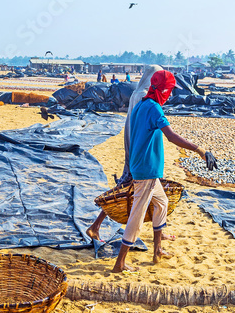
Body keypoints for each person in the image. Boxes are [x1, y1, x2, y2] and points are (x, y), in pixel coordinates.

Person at [111, 70, 217, 273]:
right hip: (146, 170)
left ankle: (158, 249)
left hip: (143, 167)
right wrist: (200, 150)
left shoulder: (142, 104)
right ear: (163, 90)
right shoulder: (154, 109)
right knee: (137, 216)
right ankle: (120, 263)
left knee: (162, 203)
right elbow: (171, 136)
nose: (170, 95)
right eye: (169, 90)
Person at [87, 66, 164, 242]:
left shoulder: (139, 92)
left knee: (148, 195)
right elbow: (140, 126)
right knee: (125, 191)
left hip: (137, 148)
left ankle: (159, 232)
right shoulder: (143, 95)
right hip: (139, 151)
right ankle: (96, 225)